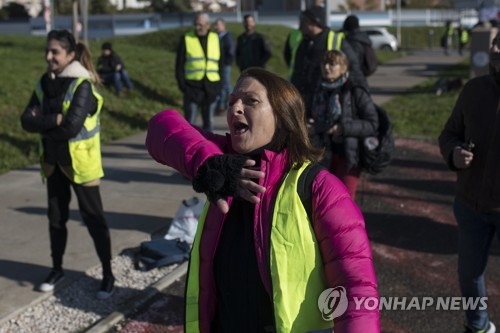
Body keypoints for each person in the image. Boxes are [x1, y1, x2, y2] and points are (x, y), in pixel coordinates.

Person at [146, 68, 379, 332]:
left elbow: (357, 288)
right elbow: (161, 126)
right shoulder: (221, 162)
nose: (235, 108)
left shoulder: (319, 187)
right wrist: (207, 161)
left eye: (250, 101)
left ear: (282, 116)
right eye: (232, 100)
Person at [20, 29, 115, 299]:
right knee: (56, 220)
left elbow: (71, 127)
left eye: (55, 52)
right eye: (47, 51)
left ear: (70, 55)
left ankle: (108, 274)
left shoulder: (82, 85)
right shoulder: (44, 81)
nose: (48, 56)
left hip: (81, 164)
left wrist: (45, 122)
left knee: (94, 219)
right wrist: (54, 120)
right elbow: (26, 120)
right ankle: (57, 268)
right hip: (52, 162)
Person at [438, 32, 500, 333]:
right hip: (470, 204)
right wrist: (454, 152)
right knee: (469, 274)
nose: (494, 48)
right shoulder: (474, 89)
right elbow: (449, 134)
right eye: (495, 42)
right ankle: (478, 326)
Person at [309, 50, 378, 199]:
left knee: (344, 203)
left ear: (344, 68)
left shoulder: (354, 91)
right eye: (324, 63)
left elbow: (372, 123)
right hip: (322, 155)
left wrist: (343, 128)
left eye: (332, 64)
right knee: (322, 201)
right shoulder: (317, 90)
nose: (326, 67)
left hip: (348, 157)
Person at [291, 5, 366, 117]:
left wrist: (363, 97)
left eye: (304, 20)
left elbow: (354, 69)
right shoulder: (304, 42)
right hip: (302, 103)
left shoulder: (335, 40)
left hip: (328, 105)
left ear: (314, 22)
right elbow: (297, 71)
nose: (300, 23)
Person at [175, 12, 224, 131]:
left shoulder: (215, 38)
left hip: (211, 87)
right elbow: (179, 65)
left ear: (208, 25)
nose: (197, 27)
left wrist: (219, 85)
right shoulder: (186, 38)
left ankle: (208, 149)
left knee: (209, 123)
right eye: (196, 24)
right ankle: (188, 148)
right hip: (192, 88)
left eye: (200, 25)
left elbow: (220, 64)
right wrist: (183, 87)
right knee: (189, 124)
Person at [342, 14, 375, 83]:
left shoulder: (353, 41)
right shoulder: (363, 38)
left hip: (355, 78)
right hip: (362, 75)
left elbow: (353, 61)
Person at [214, 17, 235, 113]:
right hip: (218, 64)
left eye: (218, 25)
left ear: (223, 25)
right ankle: (221, 105)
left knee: (226, 84)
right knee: (221, 85)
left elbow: (231, 51)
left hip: (225, 64)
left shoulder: (227, 37)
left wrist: (227, 63)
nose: (216, 27)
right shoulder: (217, 36)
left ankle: (231, 103)